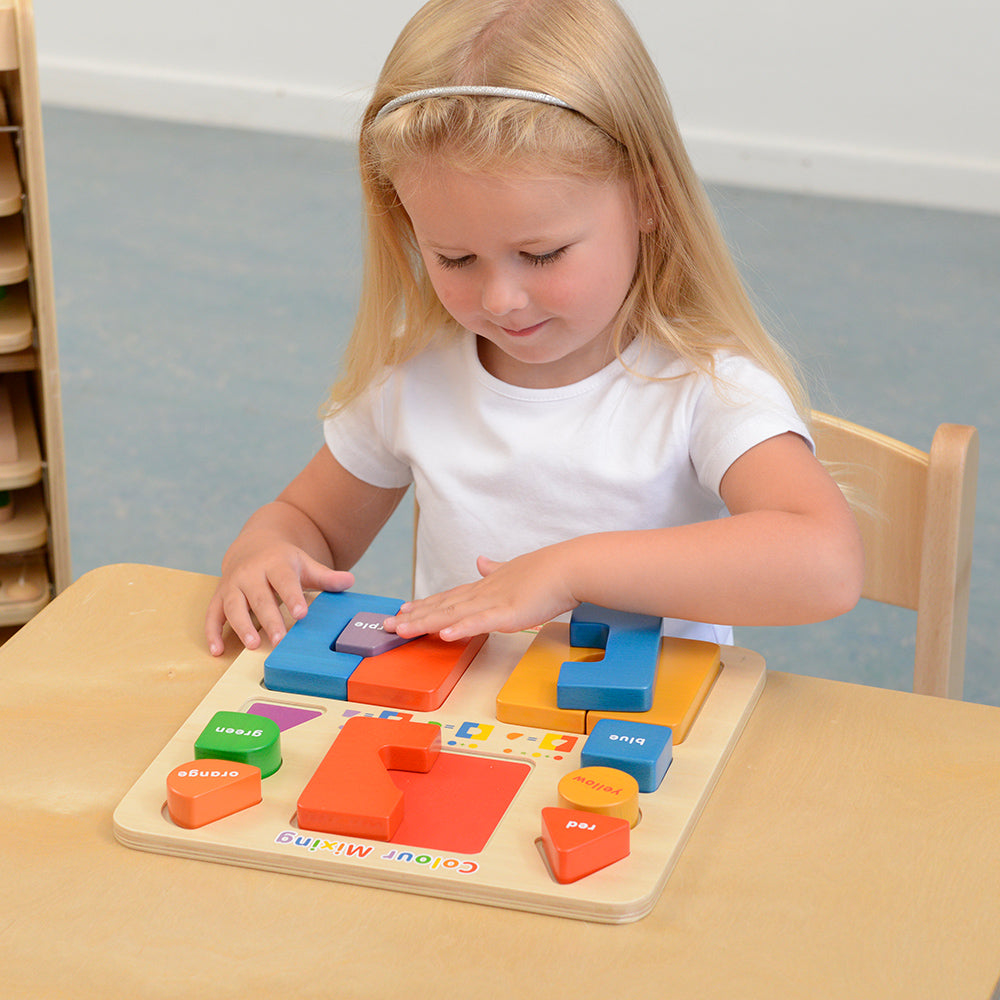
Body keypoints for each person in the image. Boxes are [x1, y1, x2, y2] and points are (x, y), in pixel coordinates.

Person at [205, 0, 863, 657]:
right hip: (459, 731)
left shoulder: (706, 387)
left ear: (649, 200)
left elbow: (825, 564)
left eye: (542, 254)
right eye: (454, 258)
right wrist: (268, 551)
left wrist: (568, 571)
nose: (502, 300)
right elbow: (309, 521)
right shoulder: (416, 377)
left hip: (646, 736)